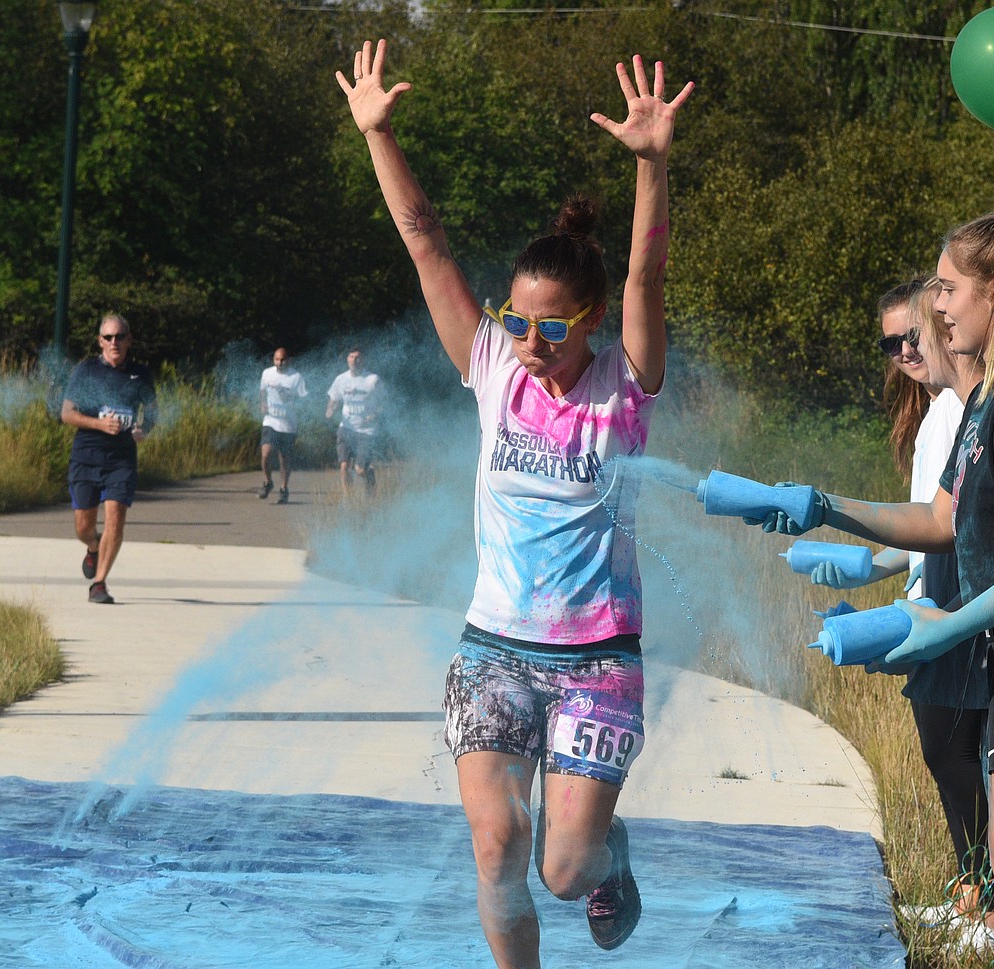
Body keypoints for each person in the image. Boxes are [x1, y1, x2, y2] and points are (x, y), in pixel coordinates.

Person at [336, 39, 693, 968]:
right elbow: (425, 241)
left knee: (564, 872)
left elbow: (648, 279)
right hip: (492, 645)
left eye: (552, 327)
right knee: (497, 849)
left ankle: (609, 853)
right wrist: (379, 136)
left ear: (590, 322)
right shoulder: (491, 364)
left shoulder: (625, 384)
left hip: (597, 658)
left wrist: (652, 165)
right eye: (516, 320)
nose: (529, 342)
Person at [749, 199, 994, 969]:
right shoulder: (992, 398)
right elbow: (941, 520)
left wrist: (958, 620)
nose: (934, 306)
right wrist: (824, 507)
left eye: (947, 287)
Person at [812, 279, 994, 951]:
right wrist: (872, 566)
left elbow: (952, 526)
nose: (901, 351)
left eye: (910, 336)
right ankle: (971, 890)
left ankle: (991, 904)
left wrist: (928, 601)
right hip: (931, 598)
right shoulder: (934, 416)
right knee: (945, 752)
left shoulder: (968, 408)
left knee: (957, 753)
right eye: (888, 342)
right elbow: (929, 520)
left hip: (954, 605)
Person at [60, 314, 157, 605]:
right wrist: (100, 424)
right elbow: (67, 414)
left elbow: (152, 413)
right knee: (83, 527)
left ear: (129, 340)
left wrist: (144, 429)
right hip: (86, 456)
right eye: (108, 337)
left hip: (121, 460)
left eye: (119, 337)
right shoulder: (86, 370)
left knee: (116, 517)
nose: (114, 342)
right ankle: (93, 547)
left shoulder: (140, 375)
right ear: (100, 341)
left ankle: (99, 584)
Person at [325, 347, 383, 497]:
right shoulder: (341, 379)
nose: (354, 360)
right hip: (346, 429)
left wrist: (374, 415)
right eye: (351, 357)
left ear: (363, 360)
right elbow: (334, 399)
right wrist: (330, 410)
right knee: (344, 467)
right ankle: (348, 500)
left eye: (357, 357)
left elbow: (385, 403)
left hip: (366, 431)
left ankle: (369, 479)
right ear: (347, 359)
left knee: (360, 469)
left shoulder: (372, 380)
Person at [259, 347, 308, 504]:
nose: (279, 363)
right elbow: (262, 391)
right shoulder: (267, 373)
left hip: (288, 425)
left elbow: (304, 400)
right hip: (270, 421)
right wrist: (262, 404)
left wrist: (290, 399)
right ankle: (267, 482)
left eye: (283, 360)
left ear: (289, 360)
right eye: (277, 359)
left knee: (284, 459)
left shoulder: (296, 377)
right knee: (266, 453)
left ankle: (284, 488)